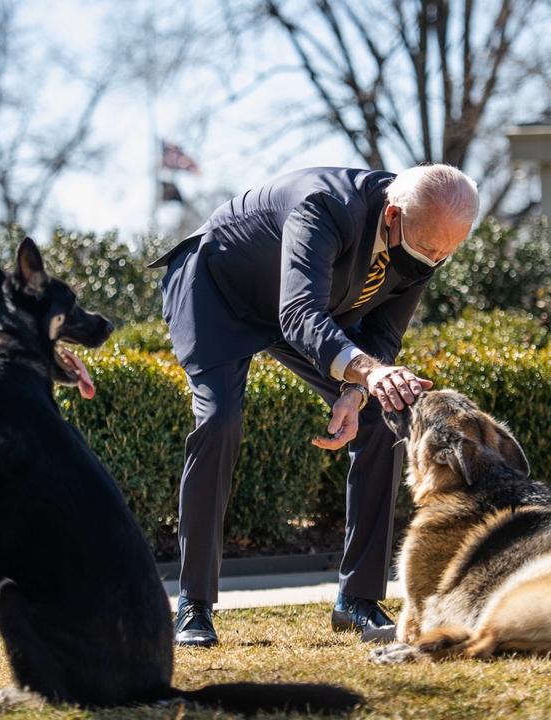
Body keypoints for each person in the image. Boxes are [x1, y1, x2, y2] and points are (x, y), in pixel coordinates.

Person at [148, 164, 479, 647]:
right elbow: (299, 312)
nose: (434, 261)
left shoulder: (426, 232)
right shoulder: (325, 207)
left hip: (301, 311)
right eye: (429, 249)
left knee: (381, 421)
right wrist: (367, 370)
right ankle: (193, 605)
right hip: (216, 290)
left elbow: (383, 333)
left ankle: (357, 601)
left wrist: (357, 391)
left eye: (447, 253)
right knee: (219, 420)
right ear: (391, 215)